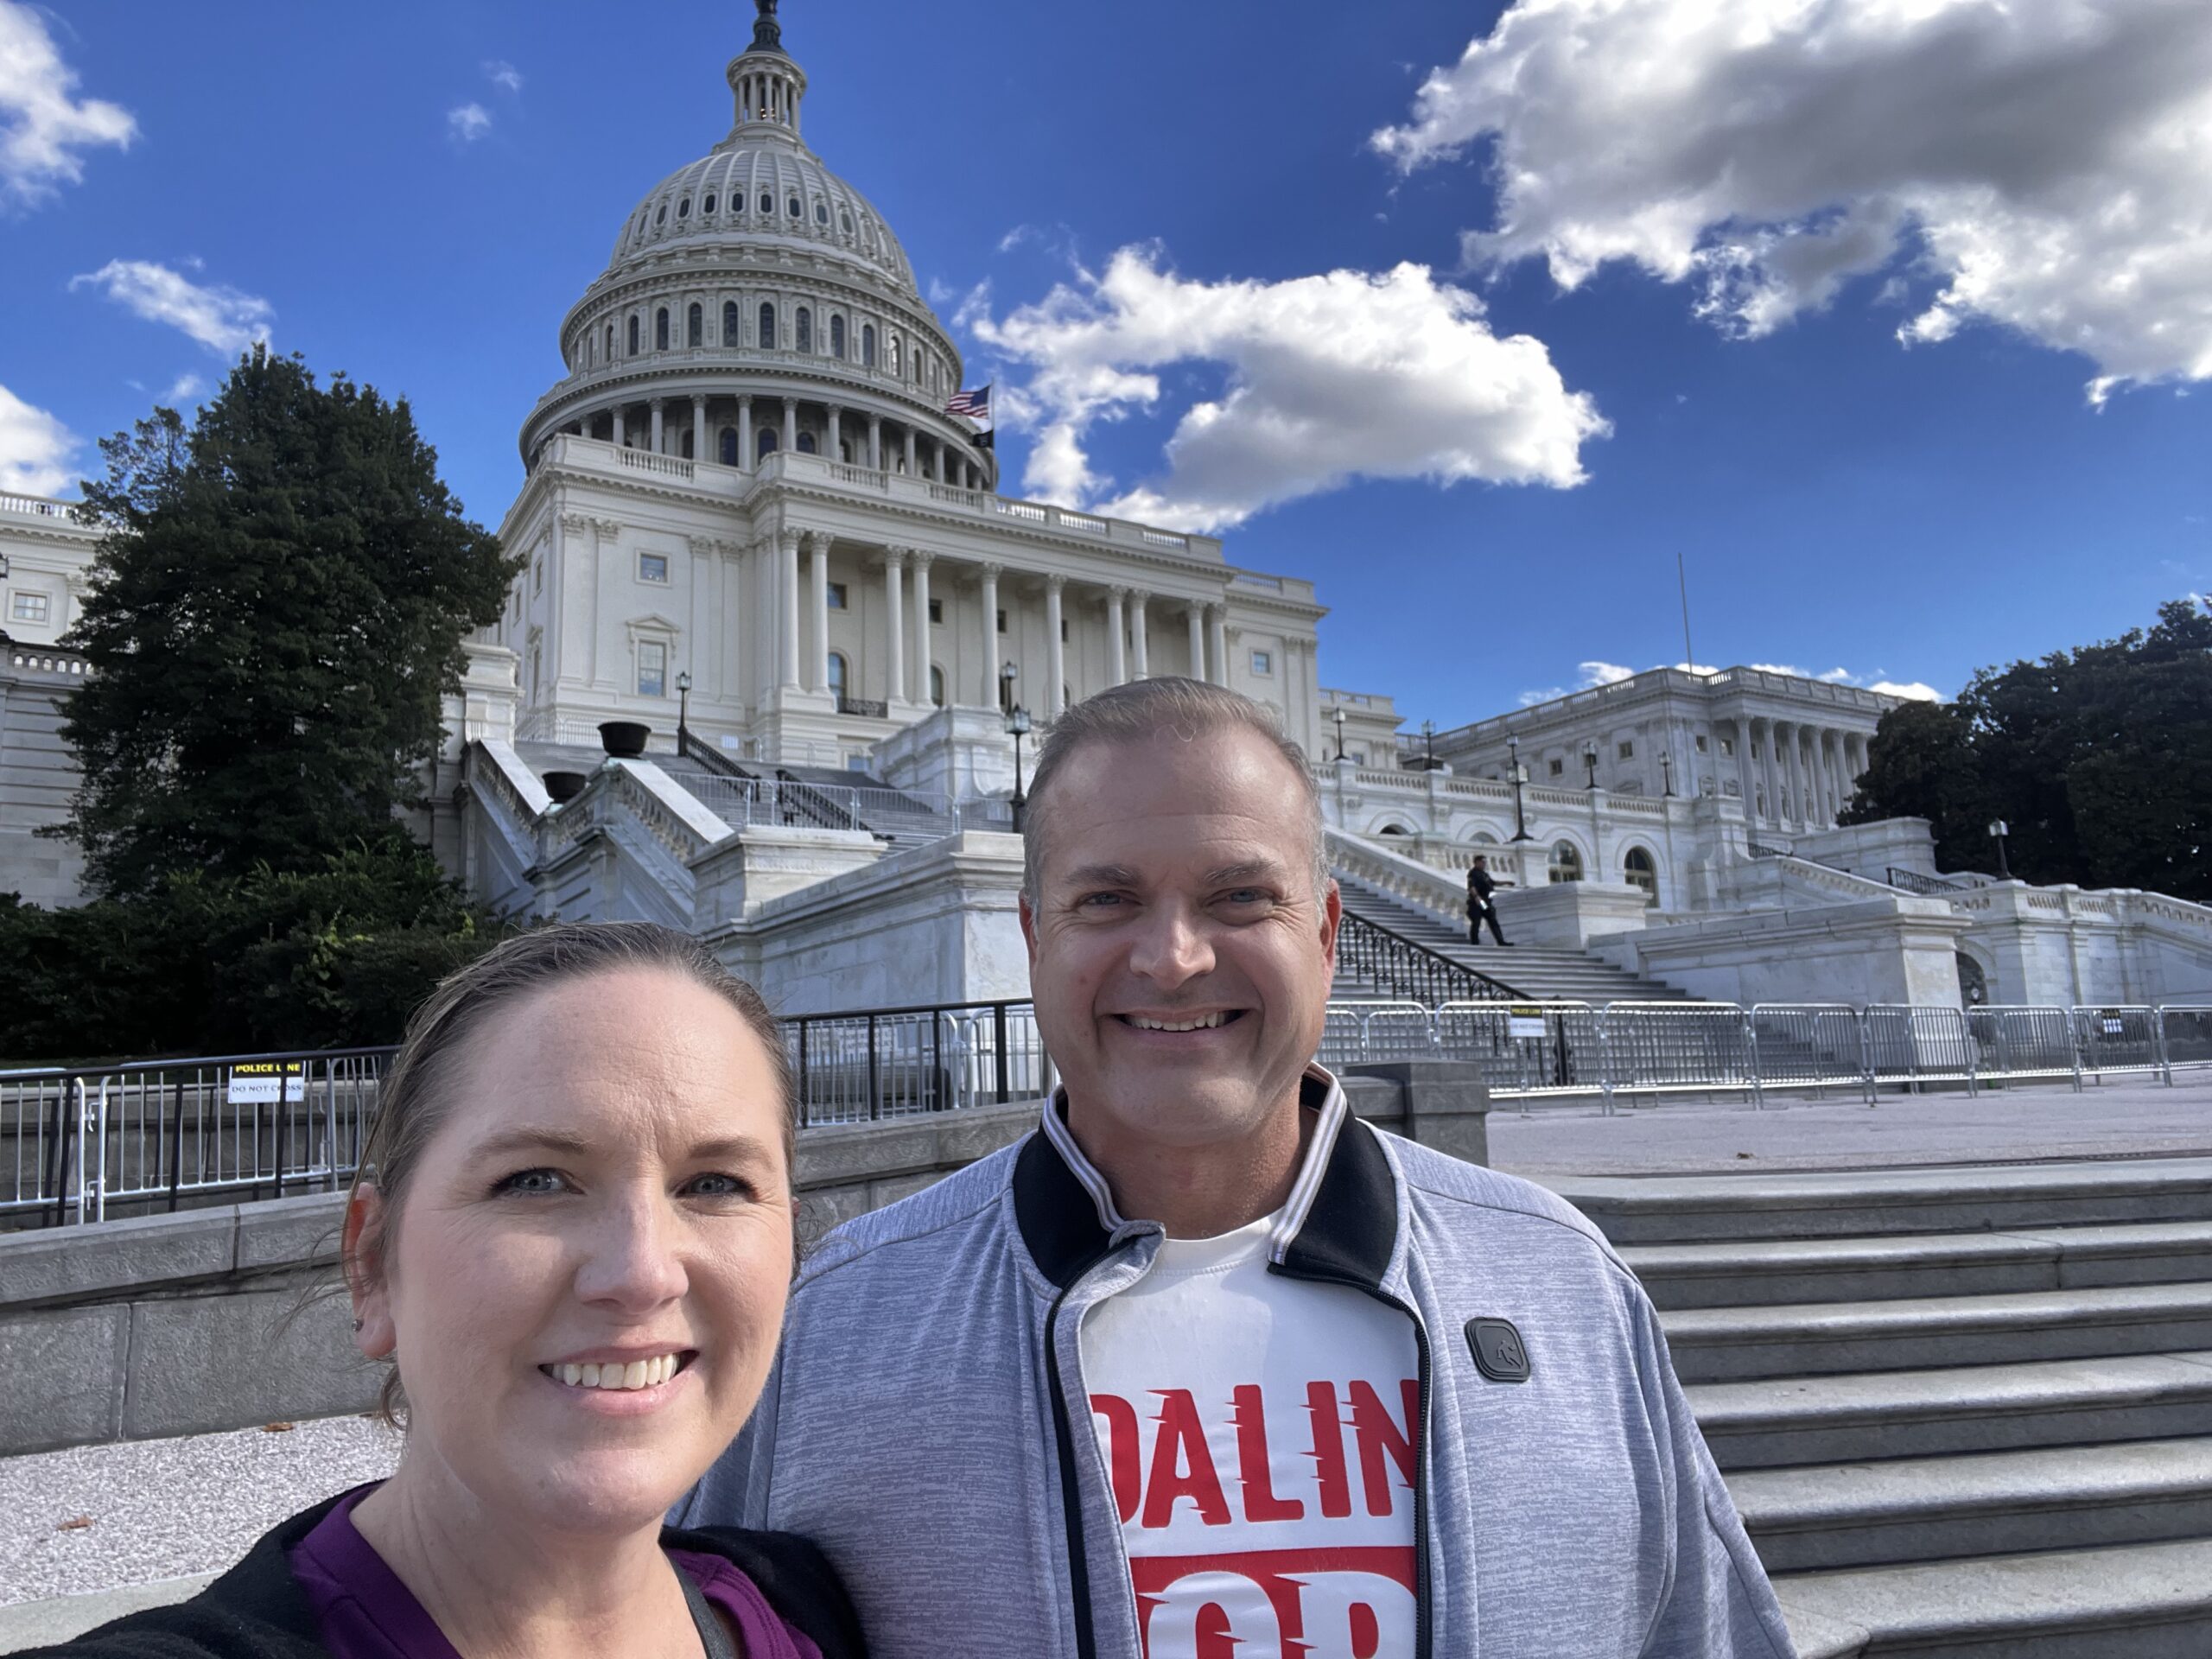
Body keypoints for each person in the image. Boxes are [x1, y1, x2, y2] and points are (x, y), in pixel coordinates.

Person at [682, 677, 1795, 1658]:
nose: (1172, 959)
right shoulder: (837, 1319)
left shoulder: (1560, 1283)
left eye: (1238, 897)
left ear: (1324, 931)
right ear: (1034, 936)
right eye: (1106, 899)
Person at [33, 924, 865, 1659]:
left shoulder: (807, 1606)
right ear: (371, 1266)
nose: (641, 1272)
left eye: (715, 1184)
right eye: (536, 1180)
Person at [1466, 852, 1512, 945]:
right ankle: (1474, 942)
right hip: (1478, 902)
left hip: (1485, 902)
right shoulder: (1473, 873)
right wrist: (1476, 897)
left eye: (1485, 862)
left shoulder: (1484, 874)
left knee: (1492, 920)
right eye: (1482, 862)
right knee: (1477, 922)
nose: (1484, 864)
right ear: (1477, 862)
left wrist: (1507, 882)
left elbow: (1493, 883)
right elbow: (1472, 887)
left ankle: (1501, 941)